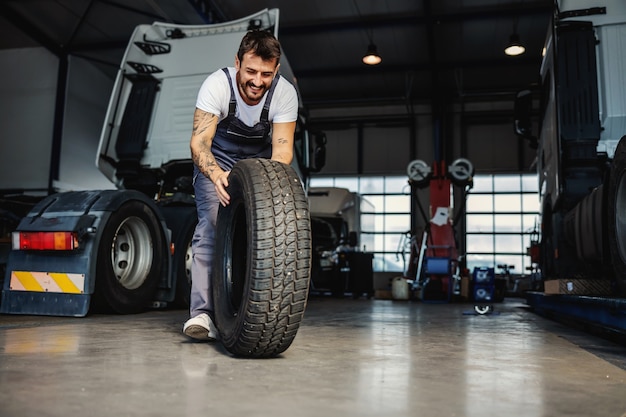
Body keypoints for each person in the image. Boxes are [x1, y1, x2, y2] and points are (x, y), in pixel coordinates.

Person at [183, 30, 299, 340]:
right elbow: (199, 144)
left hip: (258, 168)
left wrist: (266, 191)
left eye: (266, 74)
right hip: (216, 163)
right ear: (237, 63)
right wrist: (217, 174)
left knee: (262, 234)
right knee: (211, 225)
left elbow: (282, 151)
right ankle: (203, 315)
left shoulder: (284, 94)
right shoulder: (217, 85)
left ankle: (252, 312)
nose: (258, 81)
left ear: (275, 70)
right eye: (250, 71)